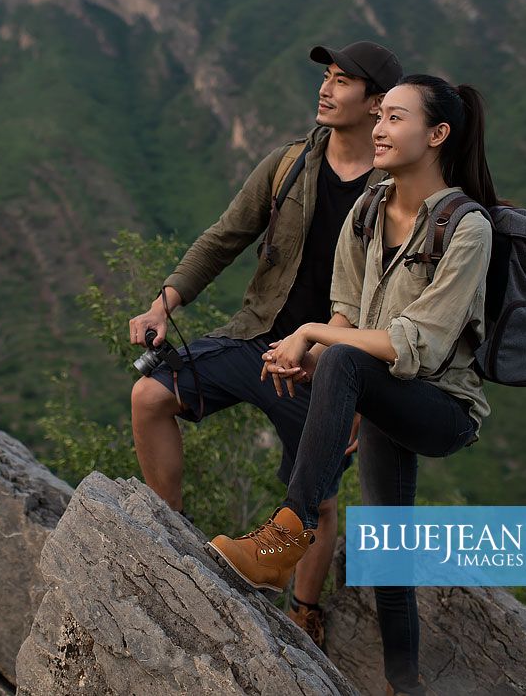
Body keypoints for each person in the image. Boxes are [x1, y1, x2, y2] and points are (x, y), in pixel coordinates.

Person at [207, 74, 496, 696]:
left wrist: (315, 337)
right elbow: (346, 309)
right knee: (390, 547)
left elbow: (413, 344)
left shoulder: (467, 229)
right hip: (375, 385)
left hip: (442, 407)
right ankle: (405, 684)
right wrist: (320, 352)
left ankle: (286, 535)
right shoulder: (370, 207)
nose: (381, 129)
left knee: (340, 361)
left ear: (438, 134)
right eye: (381, 116)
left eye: (396, 118)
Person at [128, 41, 403, 646]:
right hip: (256, 338)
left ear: (378, 103)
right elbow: (223, 238)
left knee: (318, 501)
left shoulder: (397, 190)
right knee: (149, 396)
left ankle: (303, 612)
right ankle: (168, 539)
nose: (326, 90)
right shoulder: (289, 166)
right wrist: (163, 302)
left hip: (329, 366)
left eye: (342, 82)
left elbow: (400, 304)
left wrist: (358, 390)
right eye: (325, 78)